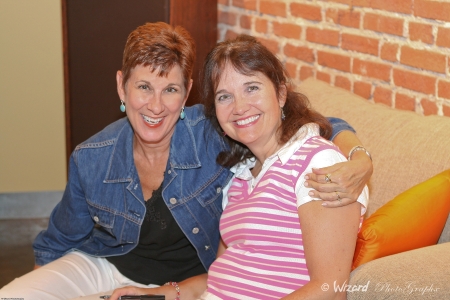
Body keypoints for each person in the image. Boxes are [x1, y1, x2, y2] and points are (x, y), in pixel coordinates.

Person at [0, 23, 370, 300]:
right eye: (144, 87)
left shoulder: (217, 133)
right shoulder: (94, 157)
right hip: (114, 266)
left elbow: (319, 125)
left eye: (171, 90)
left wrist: (360, 160)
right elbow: (57, 243)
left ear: (187, 92)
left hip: (192, 279)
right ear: (121, 87)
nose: (156, 106)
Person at [196, 34, 369, 299]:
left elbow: (329, 287)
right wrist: (164, 291)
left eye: (251, 88)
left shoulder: (319, 164)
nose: (239, 107)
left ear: (281, 93)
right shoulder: (238, 178)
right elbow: (222, 275)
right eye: (224, 97)